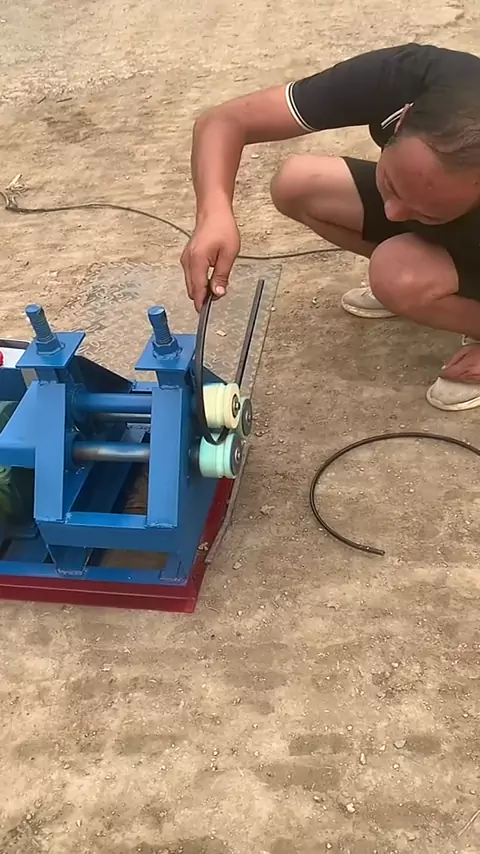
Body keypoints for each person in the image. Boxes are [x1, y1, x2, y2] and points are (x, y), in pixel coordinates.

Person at [180, 42, 480, 412]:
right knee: (298, 183)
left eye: (430, 214)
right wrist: (213, 213)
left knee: (395, 274)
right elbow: (224, 121)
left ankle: (446, 298)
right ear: (403, 118)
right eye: (391, 184)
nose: (392, 214)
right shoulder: (408, 77)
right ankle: (434, 282)